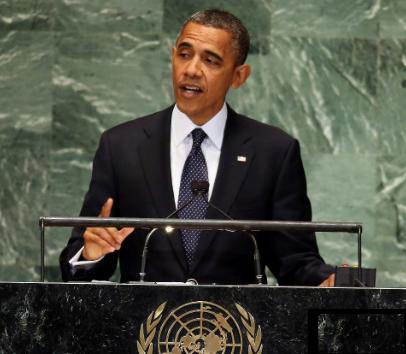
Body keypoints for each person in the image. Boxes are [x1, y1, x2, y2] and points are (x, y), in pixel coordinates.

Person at [60, 9, 335, 286]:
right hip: (144, 326)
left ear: (238, 76)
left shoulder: (274, 152)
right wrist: (91, 253)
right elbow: (80, 262)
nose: (191, 69)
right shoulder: (121, 146)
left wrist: (331, 282)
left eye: (211, 60)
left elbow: (296, 261)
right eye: (184, 54)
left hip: (236, 327)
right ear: (172, 56)